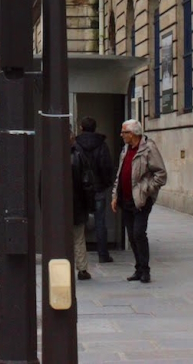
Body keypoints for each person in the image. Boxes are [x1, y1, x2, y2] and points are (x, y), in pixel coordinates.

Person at [111, 119, 167, 284]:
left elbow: (161, 175)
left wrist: (147, 189)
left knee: (139, 233)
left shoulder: (149, 148)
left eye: (124, 132)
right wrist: (115, 195)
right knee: (132, 236)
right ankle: (138, 268)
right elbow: (120, 175)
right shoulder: (125, 149)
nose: (121, 135)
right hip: (126, 199)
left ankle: (145, 270)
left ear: (133, 133)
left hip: (141, 200)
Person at [74, 116, 115, 263]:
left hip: (80, 190)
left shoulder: (76, 145)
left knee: (78, 223)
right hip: (98, 188)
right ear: (95, 128)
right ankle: (103, 254)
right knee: (100, 221)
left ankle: (79, 255)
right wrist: (106, 183)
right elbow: (106, 166)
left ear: (82, 128)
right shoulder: (101, 145)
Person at [71, 128, 94, 280]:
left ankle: (61, 265)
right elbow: (87, 183)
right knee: (78, 237)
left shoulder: (50, 155)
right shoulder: (79, 156)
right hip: (77, 204)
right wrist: (88, 204)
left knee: (60, 238)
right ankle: (82, 269)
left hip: (57, 208)